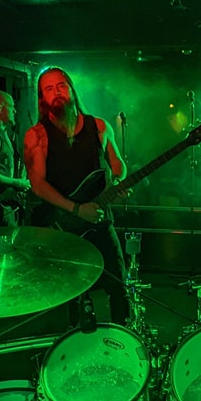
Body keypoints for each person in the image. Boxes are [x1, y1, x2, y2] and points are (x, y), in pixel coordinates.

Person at [23, 67, 130, 326]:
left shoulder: (100, 127)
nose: (57, 92)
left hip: (100, 220)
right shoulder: (37, 135)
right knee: (70, 292)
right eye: (49, 89)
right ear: (42, 98)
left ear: (71, 88)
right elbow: (38, 185)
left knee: (119, 285)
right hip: (62, 227)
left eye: (61, 86)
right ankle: (74, 340)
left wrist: (117, 183)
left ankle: (125, 339)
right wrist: (76, 209)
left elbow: (118, 164)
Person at [0, 89, 31, 226]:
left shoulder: (4, 136)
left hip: (8, 205)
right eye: (11, 106)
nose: (15, 111)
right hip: (0, 207)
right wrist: (17, 183)